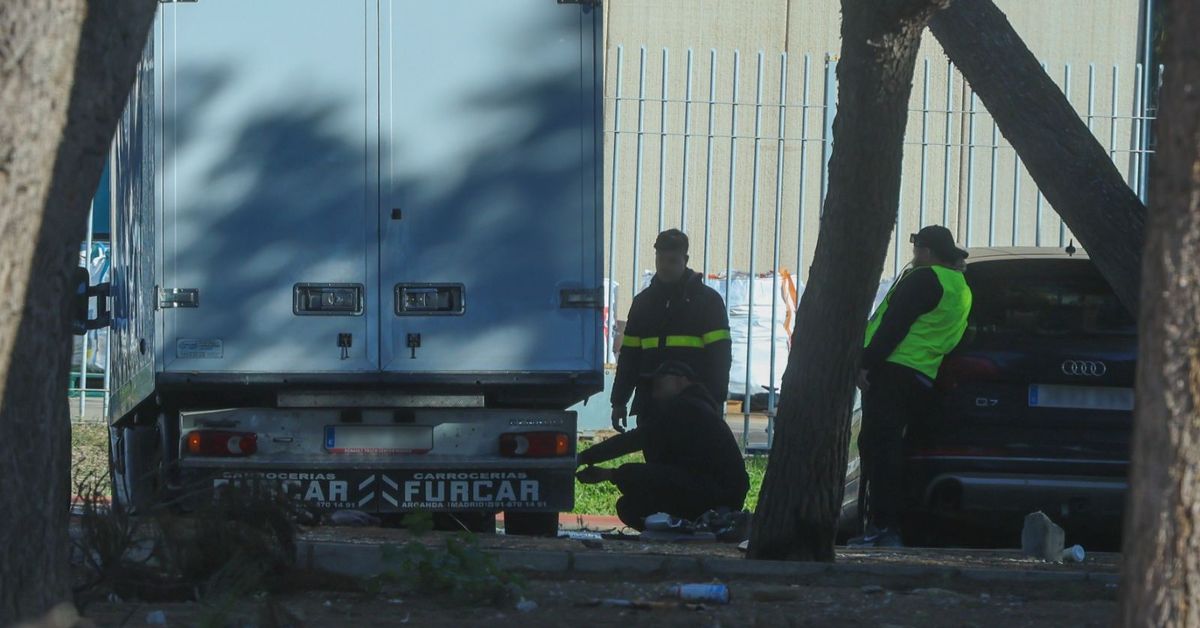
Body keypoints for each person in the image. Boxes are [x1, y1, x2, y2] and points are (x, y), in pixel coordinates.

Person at [851, 225, 973, 548]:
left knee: (879, 450)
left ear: (928, 252)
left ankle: (882, 527)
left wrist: (867, 362)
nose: (914, 255)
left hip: (893, 372)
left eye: (917, 249)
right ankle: (891, 525)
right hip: (923, 377)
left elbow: (894, 325)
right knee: (895, 451)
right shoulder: (961, 288)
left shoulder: (923, 279)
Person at [578, 361, 749, 530]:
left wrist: (601, 468)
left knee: (630, 503)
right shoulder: (696, 406)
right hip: (720, 492)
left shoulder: (685, 408)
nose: (655, 382)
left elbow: (633, 440)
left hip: (714, 493)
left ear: (683, 379)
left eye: (662, 377)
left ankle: (688, 528)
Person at [611, 229, 731, 433]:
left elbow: (720, 356)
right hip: (652, 402)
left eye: (672, 260)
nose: (664, 266)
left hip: (696, 403)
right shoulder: (643, 303)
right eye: (660, 259)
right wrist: (619, 401)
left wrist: (715, 401)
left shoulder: (708, 302)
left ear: (685, 259)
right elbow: (629, 358)